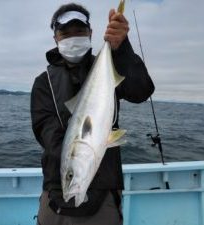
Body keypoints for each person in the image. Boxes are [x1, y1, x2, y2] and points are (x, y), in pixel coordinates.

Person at [31, 3, 154, 225]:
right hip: (55, 194)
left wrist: (121, 48)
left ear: (90, 33)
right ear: (55, 38)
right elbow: (46, 133)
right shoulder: (43, 83)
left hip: (105, 194)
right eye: (65, 32)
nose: (73, 37)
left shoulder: (109, 65)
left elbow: (141, 91)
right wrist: (85, 156)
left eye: (79, 31)